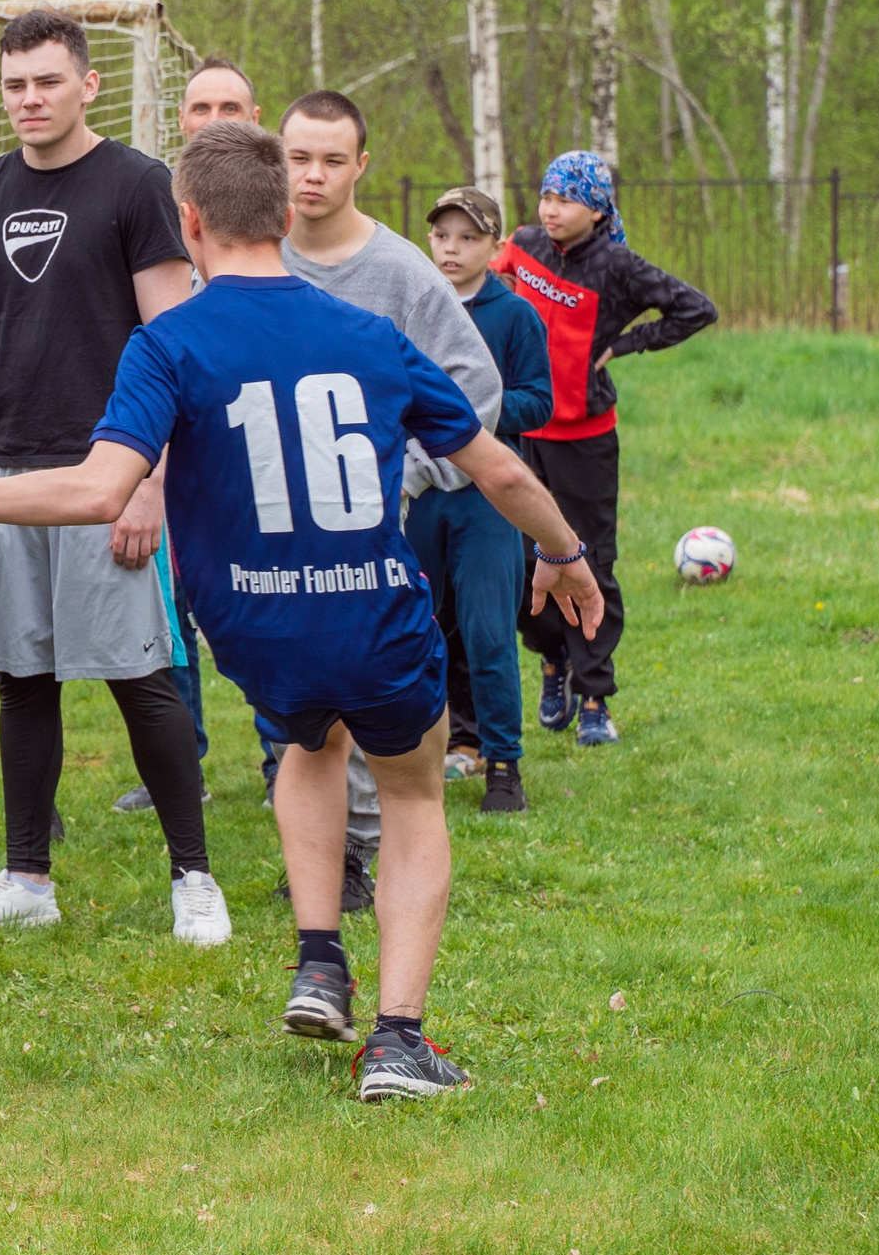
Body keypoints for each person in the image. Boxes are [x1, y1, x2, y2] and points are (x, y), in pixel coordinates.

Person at [0, 120, 605, 1101]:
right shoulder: (370, 336)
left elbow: (94, 490)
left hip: (255, 628)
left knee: (306, 744)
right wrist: (566, 555)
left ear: (187, 222)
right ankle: (398, 1038)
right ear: (283, 216)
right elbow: (492, 464)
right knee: (411, 792)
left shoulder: (167, 342)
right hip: (371, 614)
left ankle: (319, 958)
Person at [0, 9, 223, 947]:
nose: (30, 99)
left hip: (109, 466)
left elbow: (176, 344)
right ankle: (26, 877)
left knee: (144, 678)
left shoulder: (139, 185)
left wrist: (150, 481)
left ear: (87, 84)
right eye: (14, 84)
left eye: (48, 81)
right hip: (2, 467)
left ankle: (194, 879)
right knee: (23, 680)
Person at [277, 90, 504, 910]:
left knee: (365, 697)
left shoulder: (401, 271)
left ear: (361, 166)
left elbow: (476, 386)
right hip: (265, 528)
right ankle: (313, 857)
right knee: (295, 703)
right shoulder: (252, 257)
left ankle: (358, 857)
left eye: (333, 159)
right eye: (299, 156)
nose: (313, 174)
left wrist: (403, 473)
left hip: (366, 536)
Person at [495, 151, 716, 748]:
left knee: (590, 563)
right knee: (521, 564)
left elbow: (696, 309)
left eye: (565, 200)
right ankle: (551, 663)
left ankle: (594, 698)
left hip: (585, 442)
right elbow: (485, 284)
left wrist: (624, 345)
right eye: (546, 197)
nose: (551, 209)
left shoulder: (616, 264)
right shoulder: (524, 245)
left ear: (596, 209)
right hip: (521, 434)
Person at [112, 55, 255, 817]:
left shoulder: (272, 214)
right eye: (201, 106)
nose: (216, 117)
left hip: (251, 457)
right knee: (171, 623)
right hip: (170, 455)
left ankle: (282, 758)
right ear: (182, 120)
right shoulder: (153, 209)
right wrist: (148, 474)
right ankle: (183, 764)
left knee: (265, 611)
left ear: (255, 115)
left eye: (231, 103)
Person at [414, 187, 552, 810]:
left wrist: (473, 417)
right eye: (443, 235)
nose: (452, 248)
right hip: (419, 490)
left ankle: (504, 765)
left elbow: (538, 401)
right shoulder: (414, 302)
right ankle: (417, 755)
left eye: (469, 237)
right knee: (415, 628)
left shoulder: (515, 316)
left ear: (496, 249)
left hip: (488, 496)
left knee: (489, 632)